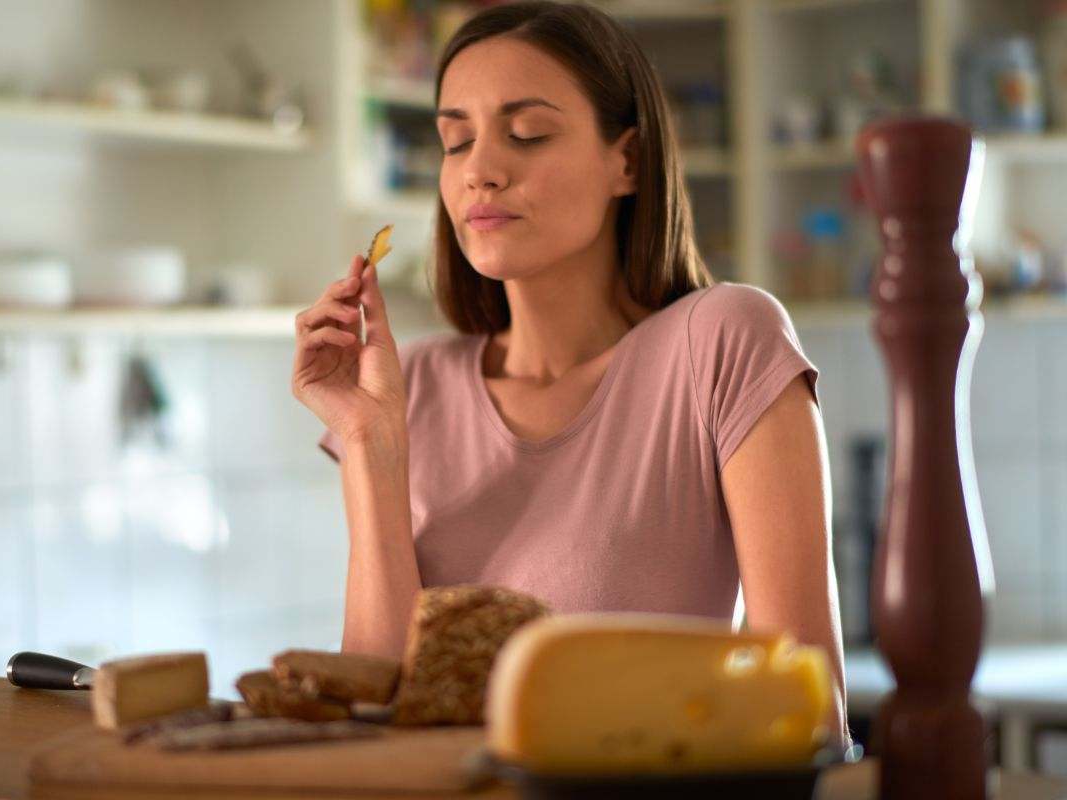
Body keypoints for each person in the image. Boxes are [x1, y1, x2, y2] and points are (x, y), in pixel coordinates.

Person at [292, 0, 849, 748]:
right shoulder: (410, 387)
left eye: (528, 134)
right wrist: (368, 440)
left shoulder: (722, 343)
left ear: (628, 161)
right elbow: (378, 715)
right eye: (456, 141)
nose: (481, 172)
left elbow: (807, 713)